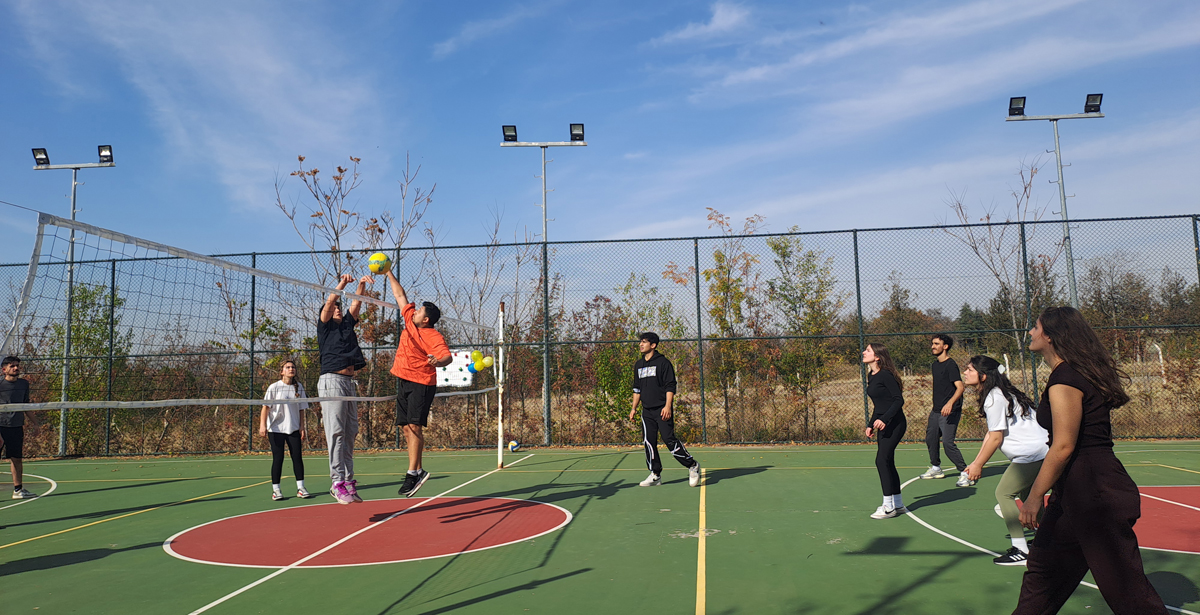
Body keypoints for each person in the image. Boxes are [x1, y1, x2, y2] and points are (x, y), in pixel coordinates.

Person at [1012, 307, 1167, 614]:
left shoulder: (1065, 381)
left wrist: (1032, 497)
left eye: (1037, 327)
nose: (1031, 332)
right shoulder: (1067, 375)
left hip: (1095, 492)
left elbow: (1063, 446)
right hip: (1074, 492)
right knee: (1042, 575)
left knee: (1128, 594)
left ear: (1051, 336)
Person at [961, 355, 1047, 566]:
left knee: (1003, 493)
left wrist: (979, 465)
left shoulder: (994, 397)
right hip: (1041, 451)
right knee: (1028, 495)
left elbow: (997, 437)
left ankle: (1021, 549)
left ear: (982, 376)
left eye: (969, 370)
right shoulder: (1000, 394)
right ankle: (1046, 542)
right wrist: (975, 462)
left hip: (1032, 455)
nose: (965, 372)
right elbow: (991, 434)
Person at [385, 269, 451, 498]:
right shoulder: (410, 321)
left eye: (420, 310)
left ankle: (413, 473)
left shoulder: (433, 336)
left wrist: (438, 361)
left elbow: (447, 357)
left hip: (422, 382)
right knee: (405, 427)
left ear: (425, 319)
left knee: (414, 426)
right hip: (404, 380)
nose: (415, 310)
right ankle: (418, 470)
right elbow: (399, 295)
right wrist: (388, 272)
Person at [318, 274, 372, 505]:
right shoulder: (325, 328)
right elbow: (330, 303)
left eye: (341, 308)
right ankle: (336, 482)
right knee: (336, 431)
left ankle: (348, 480)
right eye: (335, 309)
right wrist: (342, 285)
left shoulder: (348, 324)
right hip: (332, 380)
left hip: (349, 383)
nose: (338, 310)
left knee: (351, 431)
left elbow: (357, 303)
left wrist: (360, 284)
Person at [628, 332, 701, 488]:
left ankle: (692, 465)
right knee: (649, 442)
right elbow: (637, 389)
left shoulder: (663, 363)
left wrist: (667, 406)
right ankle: (655, 474)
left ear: (653, 345)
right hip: (646, 411)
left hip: (662, 410)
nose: (641, 344)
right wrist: (634, 408)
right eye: (640, 342)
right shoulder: (638, 365)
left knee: (669, 440)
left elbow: (670, 387)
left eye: (644, 342)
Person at [920, 334, 970, 486]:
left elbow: (960, 387)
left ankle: (965, 472)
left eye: (936, 344)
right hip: (936, 411)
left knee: (948, 443)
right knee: (931, 439)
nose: (933, 346)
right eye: (932, 343)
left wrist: (949, 404)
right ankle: (936, 468)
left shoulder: (950, 365)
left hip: (950, 411)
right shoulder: (935, 365)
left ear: (945, 346)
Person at [863, 342, 906, 519]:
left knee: (881, 461)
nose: (864, 352)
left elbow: (898, 400)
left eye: (868, 350)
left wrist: (884, 419)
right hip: (883, 423)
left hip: (895, 424)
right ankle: (898, 504)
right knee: (887, 462)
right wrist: (871, 423)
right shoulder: (872, 375)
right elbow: (879, 405)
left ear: (877, 356)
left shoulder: (886, 375)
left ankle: (888, 507)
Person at [259, 360, 312, 501]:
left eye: (293, 367)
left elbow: (301, 409)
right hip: (276, 429)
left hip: (293, 428)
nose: (291, 369)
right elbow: (265, 407)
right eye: (287, 367)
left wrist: (302, 426)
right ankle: (276, 490)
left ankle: (301, 488)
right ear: (282, 371)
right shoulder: (274, 387)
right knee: (278, 458)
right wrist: (262, 426)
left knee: (297, 457)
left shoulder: (298, 387)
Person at [0, 356, 36, 499]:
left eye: (17, 366)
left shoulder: (24, 384)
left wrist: (35, 423)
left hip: (16, 427)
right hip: (0, 426)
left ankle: (18, 490)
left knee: (16, 458)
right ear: (4, 370)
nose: (16, 368)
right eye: (12, 366)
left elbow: (25, 405)